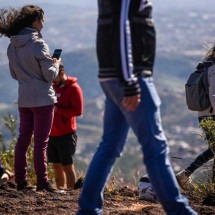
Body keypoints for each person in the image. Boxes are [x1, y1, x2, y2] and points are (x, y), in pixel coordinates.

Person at [77, 0, 197, 214]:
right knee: (155, 148)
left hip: (113, 76)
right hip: (131, 78)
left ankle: (88, 209)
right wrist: (129, 81)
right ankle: (180, 211)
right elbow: (121, 29)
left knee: (109, 147)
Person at [0, 5, 61, 192]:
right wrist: (56, 64)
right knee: (41, 141)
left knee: (23, 139)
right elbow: (50, 75)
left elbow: (14, 74)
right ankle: (42, 182)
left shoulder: (12, 46)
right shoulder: (38, 44)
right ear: (35, 21)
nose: (43, 24)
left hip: (24, 99)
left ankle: (21, 181)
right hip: (43, 99)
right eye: (42, 20)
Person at [177, 45, 215, 190]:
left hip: (205, 115)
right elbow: (214, 95)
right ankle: (186, 173)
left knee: (213, 149)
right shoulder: (214, 69)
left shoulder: (207, 67)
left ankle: (186, 173)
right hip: (212, 116)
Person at [47, 63, 84, 190]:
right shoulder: (52, 87)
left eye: (54, 76)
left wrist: (58, 110)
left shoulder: (74, 88)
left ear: (62, 73)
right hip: (51, 133)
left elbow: (78, 111)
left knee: (67, 165)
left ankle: (70, 192)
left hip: (66, 133)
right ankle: (60, 190)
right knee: (56, 165)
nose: (52, 79)